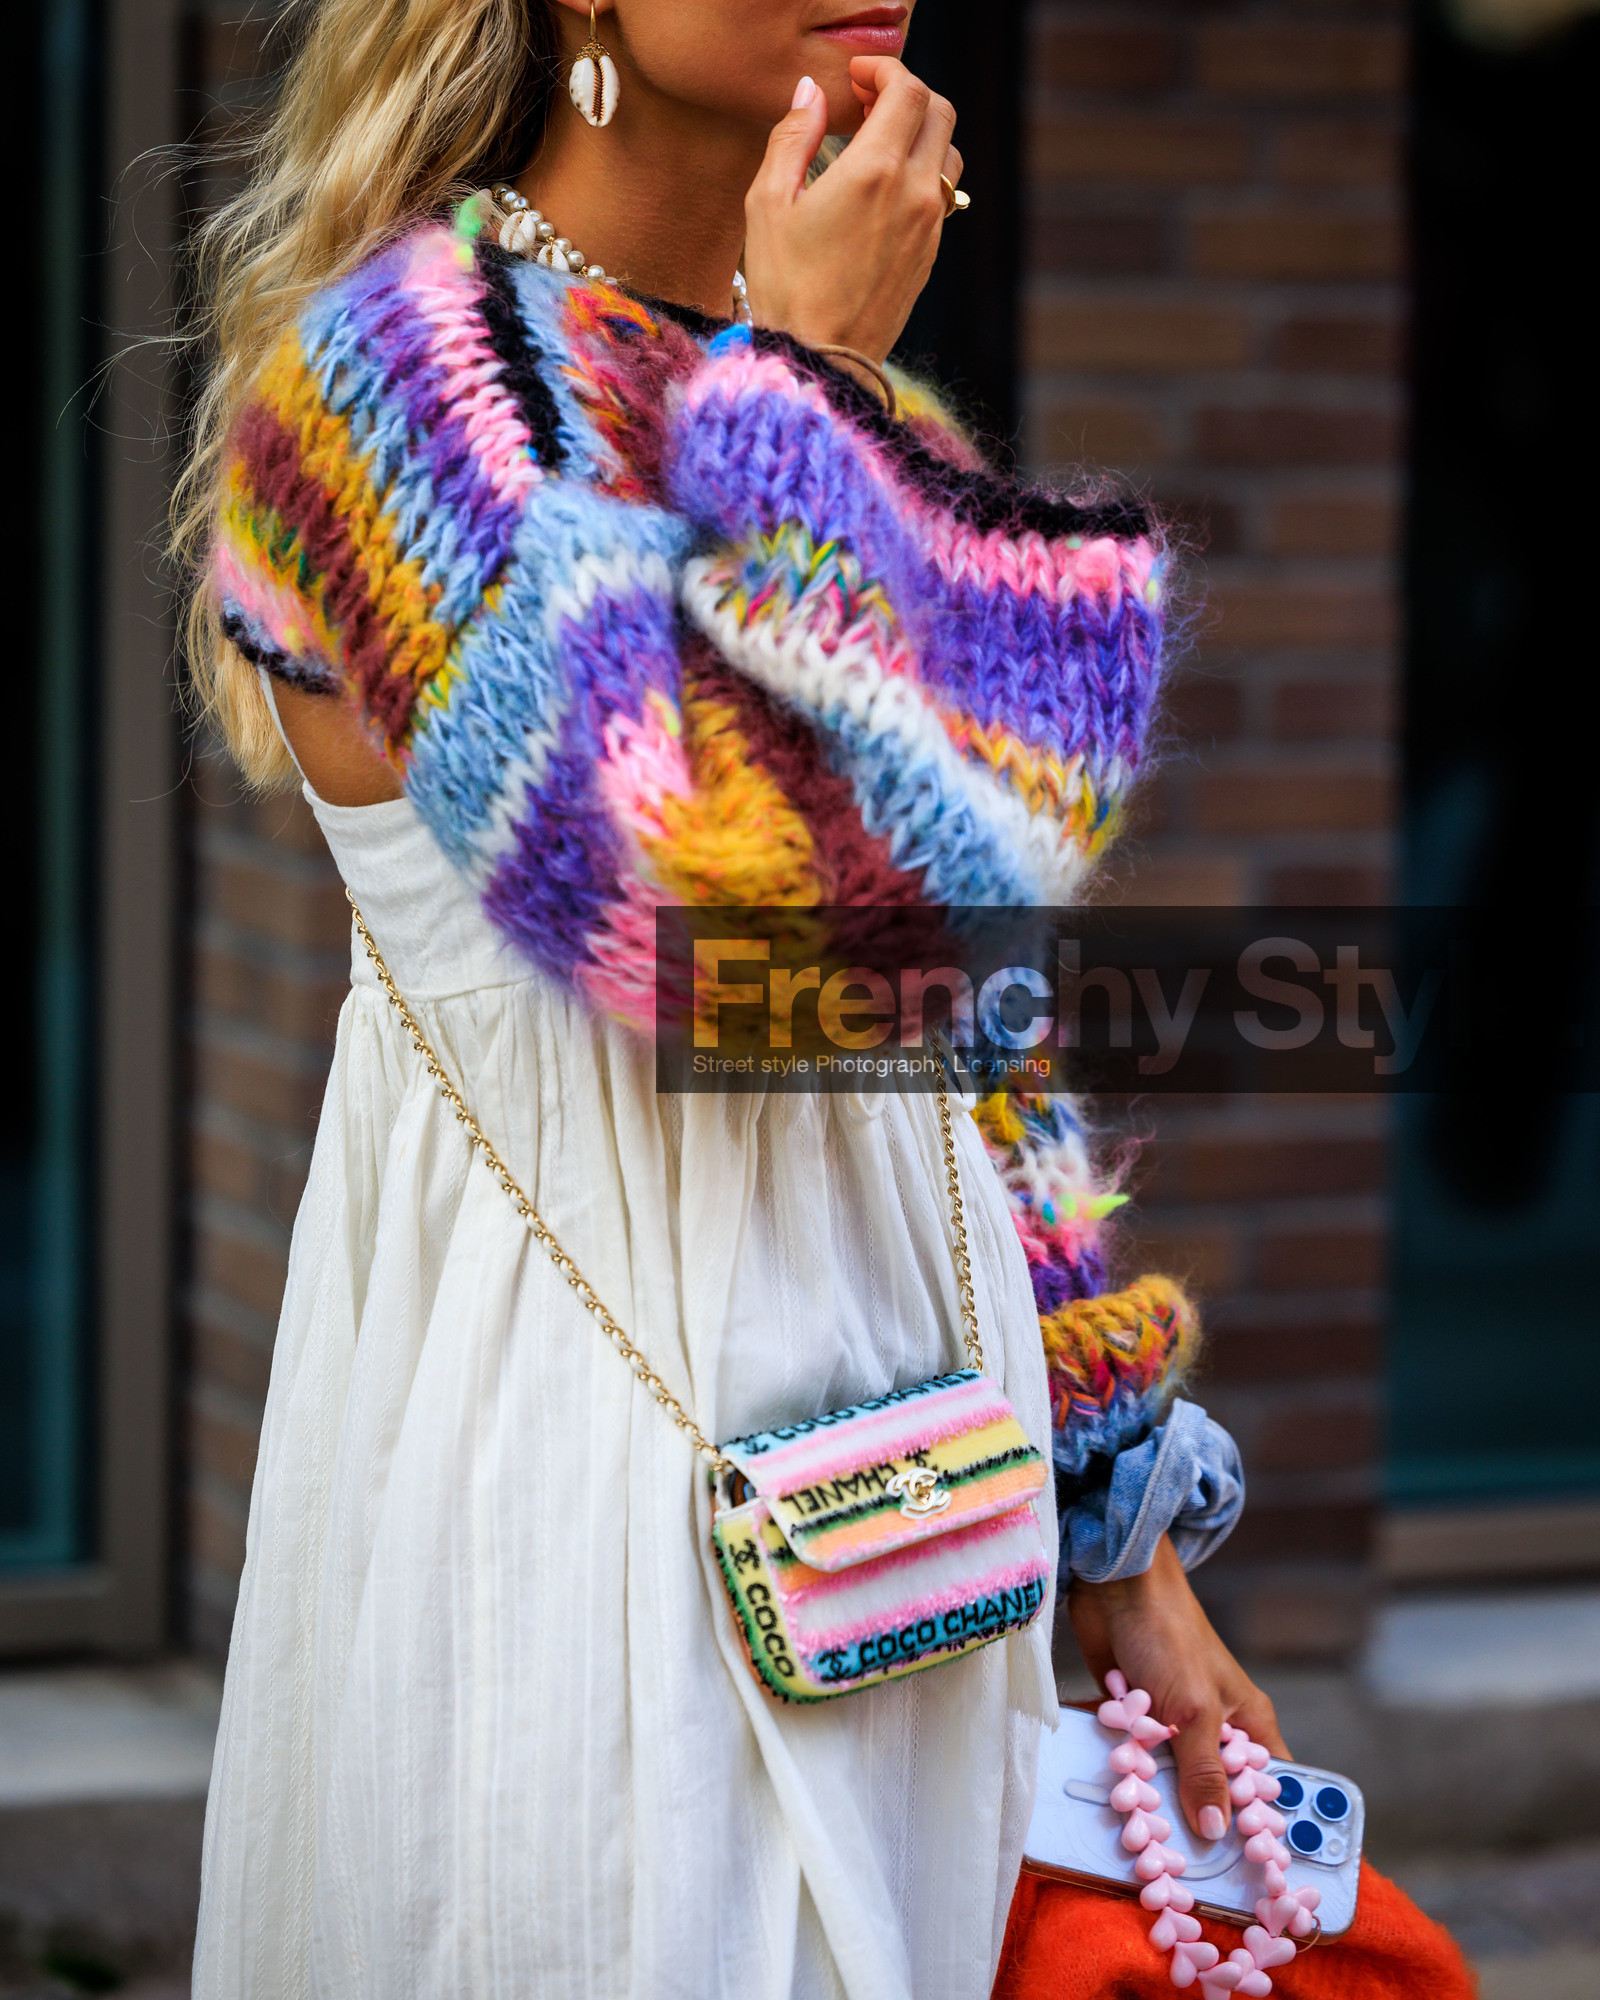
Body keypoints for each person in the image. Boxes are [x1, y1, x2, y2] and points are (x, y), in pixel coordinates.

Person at [179, 3, 1284, 1994]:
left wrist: (1121, 1539)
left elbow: (966, 1024)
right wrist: (815, 381)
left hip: (922, 1515)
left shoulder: (848, 419)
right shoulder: (398, 377)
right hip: (591, 1504)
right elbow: (719, 928)